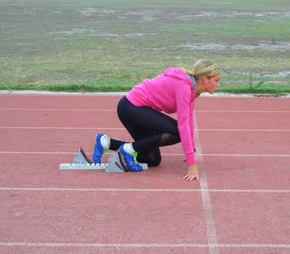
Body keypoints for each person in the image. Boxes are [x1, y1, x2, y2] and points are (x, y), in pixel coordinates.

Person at [92, 59, 221, 181]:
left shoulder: (193, 90)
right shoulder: (184, 86)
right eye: (216, 80)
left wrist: (191, 151)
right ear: (205, 79)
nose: (218, 84)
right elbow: (183, 125)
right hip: (131, 107)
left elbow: (189, 120)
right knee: (177, 132)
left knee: (152, 160)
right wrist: (192, 164)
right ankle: (128, 150)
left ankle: (106, 143)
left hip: (137, 110)